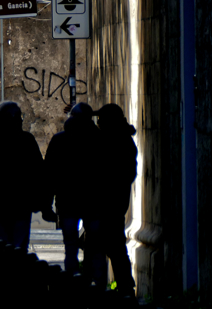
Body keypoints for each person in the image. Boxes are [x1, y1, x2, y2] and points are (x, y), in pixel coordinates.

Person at [0, 101, 45, 248]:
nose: (20, 119)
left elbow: (38, 172)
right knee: (16, 249)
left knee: (3, 248)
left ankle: (5, 270)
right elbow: (39, 172)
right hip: (17, 204)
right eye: (18, 116)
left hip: (5, 205)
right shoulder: (26, 141)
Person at [44, 103, 103, 277]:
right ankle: (97, 285)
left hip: (67, 201)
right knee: (96, 246)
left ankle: (73, 282)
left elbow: (49, 173)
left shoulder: (60, 140)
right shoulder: (99, 139)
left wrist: (47, 203)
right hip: (93, 201)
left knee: (70, 246)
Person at [95, 103, 138, 296]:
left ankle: (120, 285)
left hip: (109, 201)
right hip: (115, 200)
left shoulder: (110, 141)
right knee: (114, 244)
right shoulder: (124, 140)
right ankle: (123, 285)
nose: (98, 123)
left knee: (109, 245)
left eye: (101, 119)